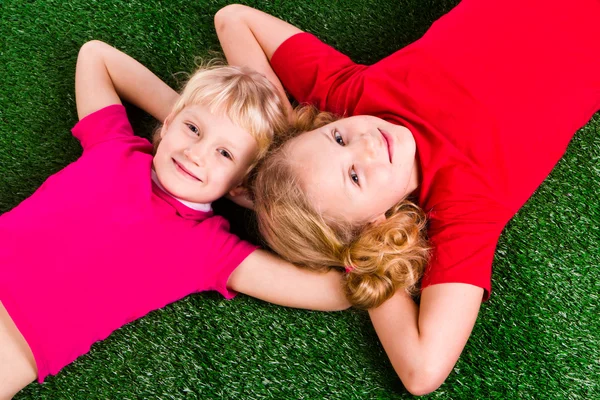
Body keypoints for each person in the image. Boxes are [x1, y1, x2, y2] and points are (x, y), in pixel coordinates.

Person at [214, 0, 600, 394]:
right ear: (371, 222)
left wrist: (274, 146)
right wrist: (366, 253)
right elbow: (421, 372)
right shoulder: (466, 206)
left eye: (338, 137)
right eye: (354, 176)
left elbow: (233, 18)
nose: (364, 143)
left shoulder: (350, 97)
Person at [0, 40, 349, 399]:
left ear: (242, 185)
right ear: (168, 122)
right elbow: (96, 56)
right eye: (193, 129)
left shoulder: (209, 247)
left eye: (225, 153)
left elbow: (333, 292)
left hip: (14, 347)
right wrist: (191, 111)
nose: (195, 153)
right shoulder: (115, 146)